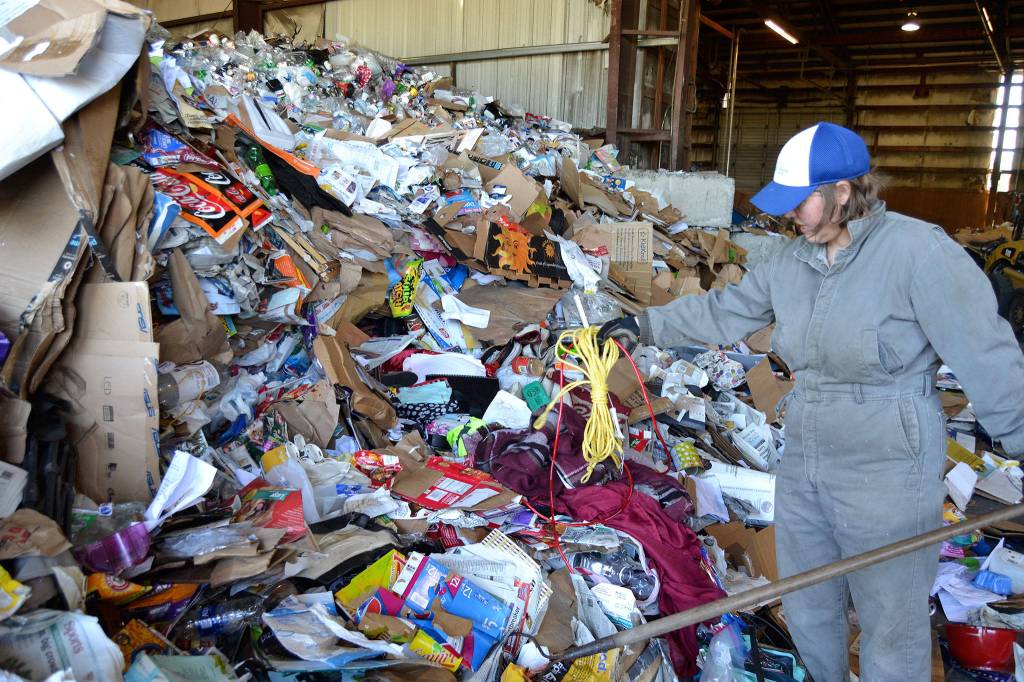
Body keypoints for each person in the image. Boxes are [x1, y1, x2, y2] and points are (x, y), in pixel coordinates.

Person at [599, 122, 1024, 681]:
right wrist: (644, 323)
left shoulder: (917, 251)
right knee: (808, 603)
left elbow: (985, 352)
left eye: (801, 202)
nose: (791, 216)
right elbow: (727, 310)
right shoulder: (787, 259)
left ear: (844, 193)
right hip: (806, 453)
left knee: (890, 621)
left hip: (890, 458)